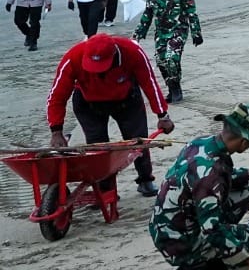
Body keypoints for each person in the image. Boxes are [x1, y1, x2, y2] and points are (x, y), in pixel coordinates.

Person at [148, 103, 249, 270]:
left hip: (168, 227)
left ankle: (214, 257)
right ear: (245, 142)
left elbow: (219, 180)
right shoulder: (211, 173)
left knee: (246, 194)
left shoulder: (201, 143)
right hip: (180, 242)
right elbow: (212, 229)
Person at [46, 34, 174, 197]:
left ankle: (145, 179)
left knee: (137, 140)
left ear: (114, 54)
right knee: (97, 147)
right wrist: (56, 131)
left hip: (126, 100)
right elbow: (57, 95)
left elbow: (149, 83)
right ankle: (105, 188)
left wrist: (162, 115)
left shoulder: (132, 52)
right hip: (88, 103)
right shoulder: (73, 57)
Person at [134, 0, 203, 102]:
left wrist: (196, 33)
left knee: (172, 58)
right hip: (161, 32)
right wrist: (138, 34)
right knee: (161, 61)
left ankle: (176, 88)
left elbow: (192, 14)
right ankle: (171, 87)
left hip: (178, 30)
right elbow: (147, 16)